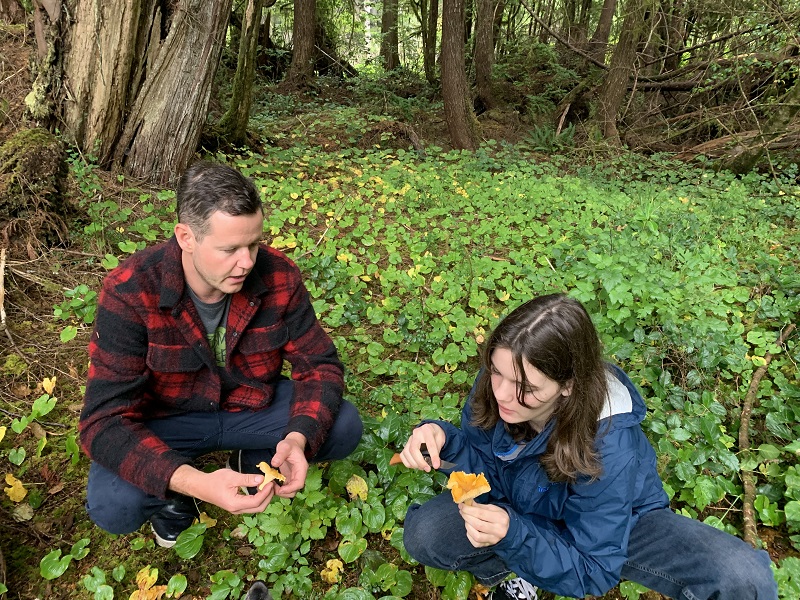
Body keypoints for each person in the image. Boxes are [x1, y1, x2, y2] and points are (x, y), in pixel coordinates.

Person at [398, 294, 777, 600]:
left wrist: (514, 535)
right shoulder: (508, 372)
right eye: (495, 372)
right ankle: (520, 566)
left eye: (526, 389)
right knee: (425, 533)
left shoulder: (609, 445)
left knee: (741, 578)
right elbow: (484, 455)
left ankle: (527, 553)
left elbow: (595, 571)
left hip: (610, 521)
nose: (500, 394)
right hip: (524, 499)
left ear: (569, 385)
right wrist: (444, 439)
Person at [80, 161, 362, 548]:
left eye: (254, 243)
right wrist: (195, 482)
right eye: (230, 248)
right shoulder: (130, 291)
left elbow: (320, 367)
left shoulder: (278, 274)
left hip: (252, 404)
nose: (247, 262)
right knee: (115, 505)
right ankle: (175, 496)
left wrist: (297, 439)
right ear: (186, 237)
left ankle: (253, 462)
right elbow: (102, 423)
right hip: (167, 420)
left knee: (343, 426)